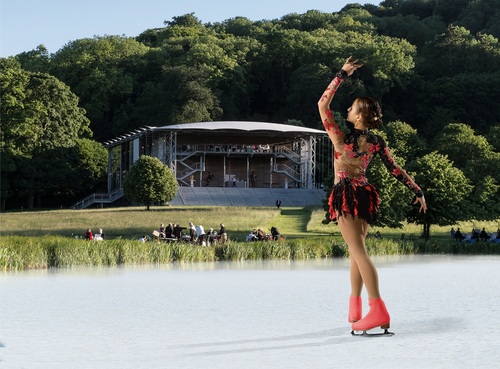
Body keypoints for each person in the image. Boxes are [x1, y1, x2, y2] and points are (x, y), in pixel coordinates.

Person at [318, 56, 427, 334]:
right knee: (356, 253)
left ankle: (377, 309)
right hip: (365, 193)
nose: (348, 109)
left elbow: (323, 104)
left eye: (352, 108)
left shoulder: (340, 138)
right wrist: (417, 190)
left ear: (360, 116)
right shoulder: (376, 142)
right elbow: (395, 169)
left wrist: (341, 73)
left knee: (358, 252)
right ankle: (355, 306)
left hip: (346, 194)